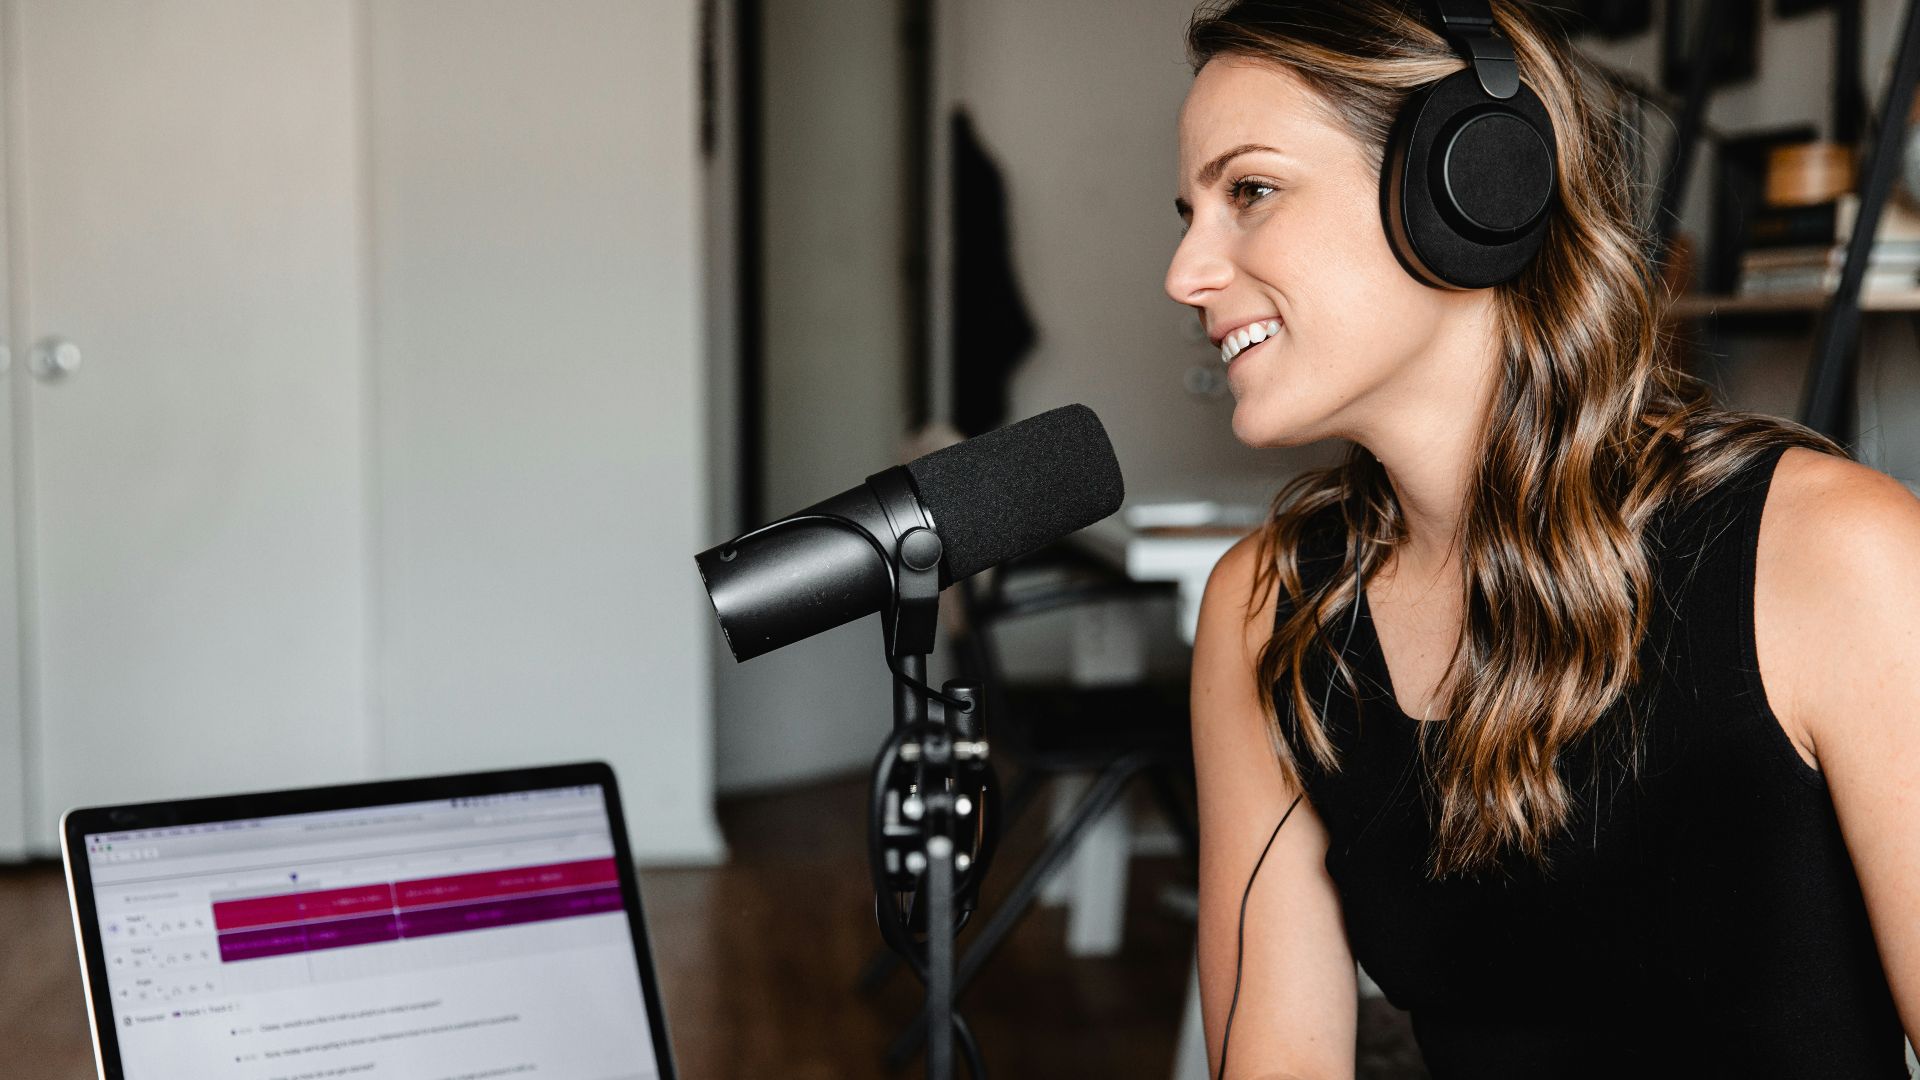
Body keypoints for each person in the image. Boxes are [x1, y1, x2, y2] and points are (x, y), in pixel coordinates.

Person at [1163, 2, 1920, 1077]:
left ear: (1475, 183)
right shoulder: (1270, 610)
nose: (1186, 273)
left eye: (1250, 192)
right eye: (1188, 211)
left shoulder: (1836, 555)